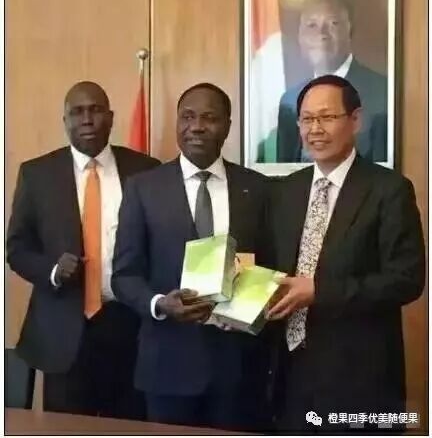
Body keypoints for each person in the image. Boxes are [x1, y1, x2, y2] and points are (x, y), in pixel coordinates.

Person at [265, 75, 424, 432]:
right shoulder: (286, 190)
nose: (315, 129)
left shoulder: (389, 190)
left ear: (355, 120)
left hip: (359, 377)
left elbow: (406, 280)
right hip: (290, 372)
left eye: (327, 117)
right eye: (307, 119)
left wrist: (319, 291)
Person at [111, 83, 273, 432]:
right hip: (168, 364)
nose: (196, 126)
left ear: (227, 126)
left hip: (239, 366)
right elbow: (124, 275)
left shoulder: (259, 188)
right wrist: (159, 303)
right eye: (187, 117)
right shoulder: (143, 188)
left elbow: (272, 263)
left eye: (209, 118)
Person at [7, 81, 160, 418]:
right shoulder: (37, 174)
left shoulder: (146, 170)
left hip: (130, 326)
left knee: (131, 428)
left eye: (95, 110)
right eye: (77, 112)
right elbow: (17, 248)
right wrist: (51, 270)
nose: (87, 119)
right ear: (65, 121)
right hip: (63, 332)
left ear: (111, 117)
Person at [253, 0, 387, 163]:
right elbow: (285, 169)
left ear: (350, 31)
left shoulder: (382, 91)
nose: (321, 34)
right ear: (299, 36)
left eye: (333, 24)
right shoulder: (289, 99)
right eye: (311, 25)